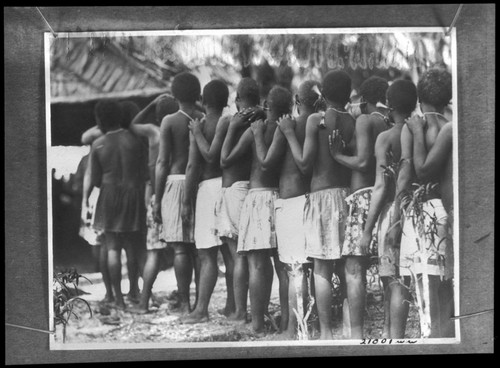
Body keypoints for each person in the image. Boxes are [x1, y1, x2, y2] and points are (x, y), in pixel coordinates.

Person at [278, 70, 355, 340]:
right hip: (346, 196)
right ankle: (349, 327)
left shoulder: (315, 120)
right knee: (347, 266)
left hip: (322, 196)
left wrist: (288, 133)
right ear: (348, 93)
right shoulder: (353, 119)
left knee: (321, 268)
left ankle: (325, 333)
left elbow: (303, 163)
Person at [251, 80, 320, 338]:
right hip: (311, 200)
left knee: (293, 269)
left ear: (297, 102)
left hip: (291, 202)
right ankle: (304, 324)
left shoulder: (287, 126)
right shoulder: (319, 123)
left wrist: (258, 135)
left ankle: (291, 330)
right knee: (308, 268)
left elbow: (267, 163)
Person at [220, 85, 290, 335]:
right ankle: (285, 324)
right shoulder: (287, 127)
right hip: (280, 198)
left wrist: (232, 129)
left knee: (257, 265)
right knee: (283, 266)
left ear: (267, 106)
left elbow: (225, 159)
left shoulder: (255, 130)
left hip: (258, 199)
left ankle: (258, 324)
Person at [191, 77, 261, 323]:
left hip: (227, 188)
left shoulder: (225, 122)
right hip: (245, 188)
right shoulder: (255, 119)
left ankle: (226, 311)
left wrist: (198, 133)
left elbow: (213, 159)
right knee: (237, 255)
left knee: (224, 255)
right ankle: (236, 307)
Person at [328, 76, 390, 338]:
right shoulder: (386, 122)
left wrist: (337, 155)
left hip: (363, 197)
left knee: (354, 269)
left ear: (363, 99)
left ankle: (356, 334)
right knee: (387, 270)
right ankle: (387, 328)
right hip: (382, 199)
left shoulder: (365, 120)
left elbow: (364, 162)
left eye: (355, 100)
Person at [356, 79, 418, 338]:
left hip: (392, 212)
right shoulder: (419, 130)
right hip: (415, 210)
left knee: (391, 281)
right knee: (401, 280)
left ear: (388, 105)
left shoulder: (386, 137)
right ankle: (390, 332)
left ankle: (394, 338)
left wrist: (367, 231)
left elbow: (380, 187)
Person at [398, 67, 454, 338]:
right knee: (444, 281)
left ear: (420, 99)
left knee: (425, 283)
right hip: (446, 211)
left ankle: (435, 336)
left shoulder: (417, 126)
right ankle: (446, 334)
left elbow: (415, 171)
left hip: (425, 211)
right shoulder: (450, 125)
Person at [153, 72, 205, 314]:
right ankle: (198, 303)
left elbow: (162, 162)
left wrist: (156, 198)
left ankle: (184, 301)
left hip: (175, 184)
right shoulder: (205, 118)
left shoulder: (169, 121)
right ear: (198, 94)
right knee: (199, 248)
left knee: (181, 248)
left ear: (174, 95)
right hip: (201, 185)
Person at [181, 80, 230, 323]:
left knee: (206, 253)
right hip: (228, 187)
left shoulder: (199, 125)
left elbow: (192, 166)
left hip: (208, 189)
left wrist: (186, 201)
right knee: (230, 254)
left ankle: (201, 310)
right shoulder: (228, 121)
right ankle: (233, 306)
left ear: (203, 99)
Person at [90, 100, 146, 310]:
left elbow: (96, 180)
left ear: (99, 119)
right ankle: (133, 291)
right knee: (132, 247)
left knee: (112, 248)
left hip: (109, 196)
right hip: (133, 194)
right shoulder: (135, 140)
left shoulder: (99, 144)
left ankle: (117, 299)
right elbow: (143, 171)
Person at [127, 94, 180, 314]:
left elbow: (133, 124)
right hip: (176, 190)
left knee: (154, 253)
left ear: (156, 115)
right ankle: (184, 301)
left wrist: (151, 104)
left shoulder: (153, 132)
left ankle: (144, 302)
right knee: (182, 250)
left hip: (156, 193)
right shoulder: (180, 129)